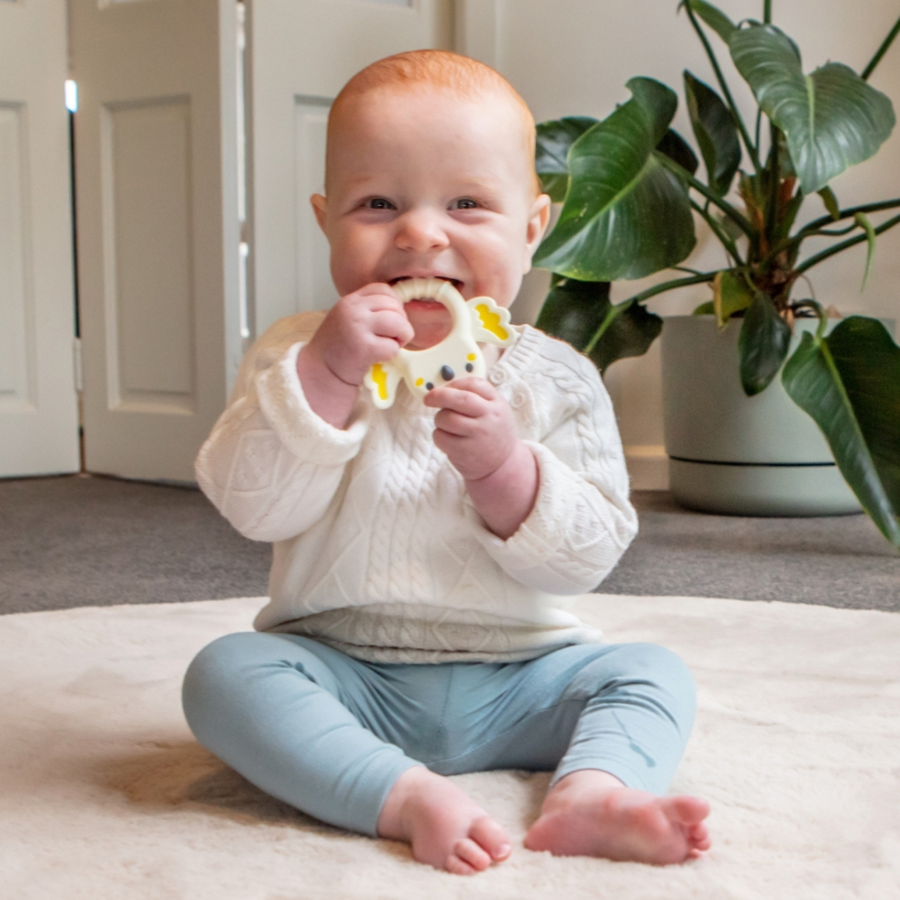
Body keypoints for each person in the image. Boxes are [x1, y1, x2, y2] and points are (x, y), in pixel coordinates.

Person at [183, 49, 711, 876]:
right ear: (327, 221)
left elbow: (589, 556)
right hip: (343, 670)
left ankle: (593, 793)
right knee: (223, 676)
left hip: (524, 678)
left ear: (531, 230)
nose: (422, 232)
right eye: (378, 202)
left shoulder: (558, 379)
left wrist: (506, 471)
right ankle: (396, 793)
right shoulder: (296, 355)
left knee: (650, 675)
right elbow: (254, 507)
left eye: (467, 202)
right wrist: (326, 378)